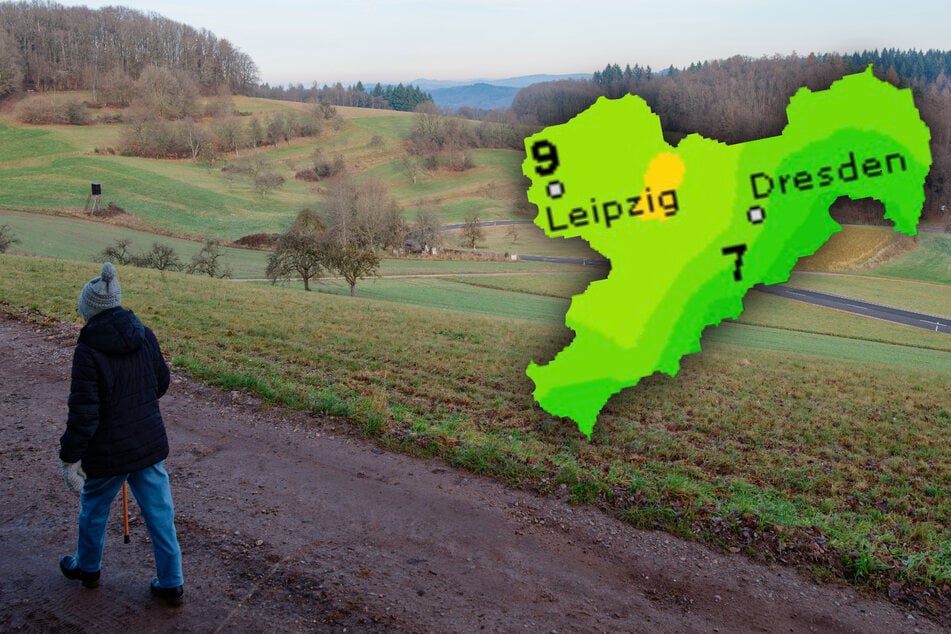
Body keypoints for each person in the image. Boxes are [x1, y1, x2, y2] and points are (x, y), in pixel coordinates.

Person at [58, 262, 184, 606]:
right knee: (160, 513)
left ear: (90, 310)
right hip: (147, 446)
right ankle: (172, 582)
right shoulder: (145, 334)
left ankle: (87, 567)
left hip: (108, 454)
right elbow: (161, 383)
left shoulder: (87, 350)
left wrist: (69, 457)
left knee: (94, 508)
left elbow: (83, 413)